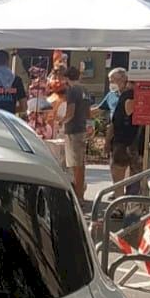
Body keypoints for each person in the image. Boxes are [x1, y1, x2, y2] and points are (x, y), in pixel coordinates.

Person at [111, 77, 143, 195]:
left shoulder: (129, 94)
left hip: (125, 140)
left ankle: (121, 201)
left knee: (120, 172)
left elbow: (128, 110)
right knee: (134, 174)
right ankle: (128, 201)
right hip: (131, 140)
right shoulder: (128, 94)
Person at [63, 66, 89, 203]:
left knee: (76, 165)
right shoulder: (85, 90)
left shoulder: (72, 90)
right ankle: (80, 193)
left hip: (73, 129)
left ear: (66, 78)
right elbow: (88, 112)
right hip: (82, 127)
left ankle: (79, 196)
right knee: (80, 164)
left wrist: (61, 121)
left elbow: (70, 112)